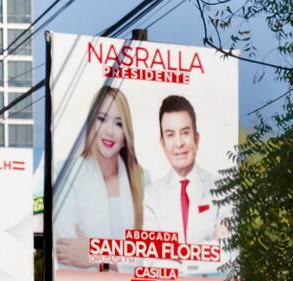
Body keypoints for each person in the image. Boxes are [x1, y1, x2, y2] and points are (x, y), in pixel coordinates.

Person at [55, 86, 147, 269]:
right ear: (91, 124)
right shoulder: (66, 173)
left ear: (126, 135)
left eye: (119, 123)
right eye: (102, 119)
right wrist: (121, 259)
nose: (110, 131)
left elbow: (150, 254)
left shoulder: (144, 180)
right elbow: (66, 250)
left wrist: (95, 255)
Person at [143, 95, 228, 250]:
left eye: (185, 132)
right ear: (162, 144)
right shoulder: (150, 197)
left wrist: (173, 255)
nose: (179, 143)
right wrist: (207, 250)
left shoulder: (222, 189)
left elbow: (225, 253)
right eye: (170, 135)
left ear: (196, 138)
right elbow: (152, 259)